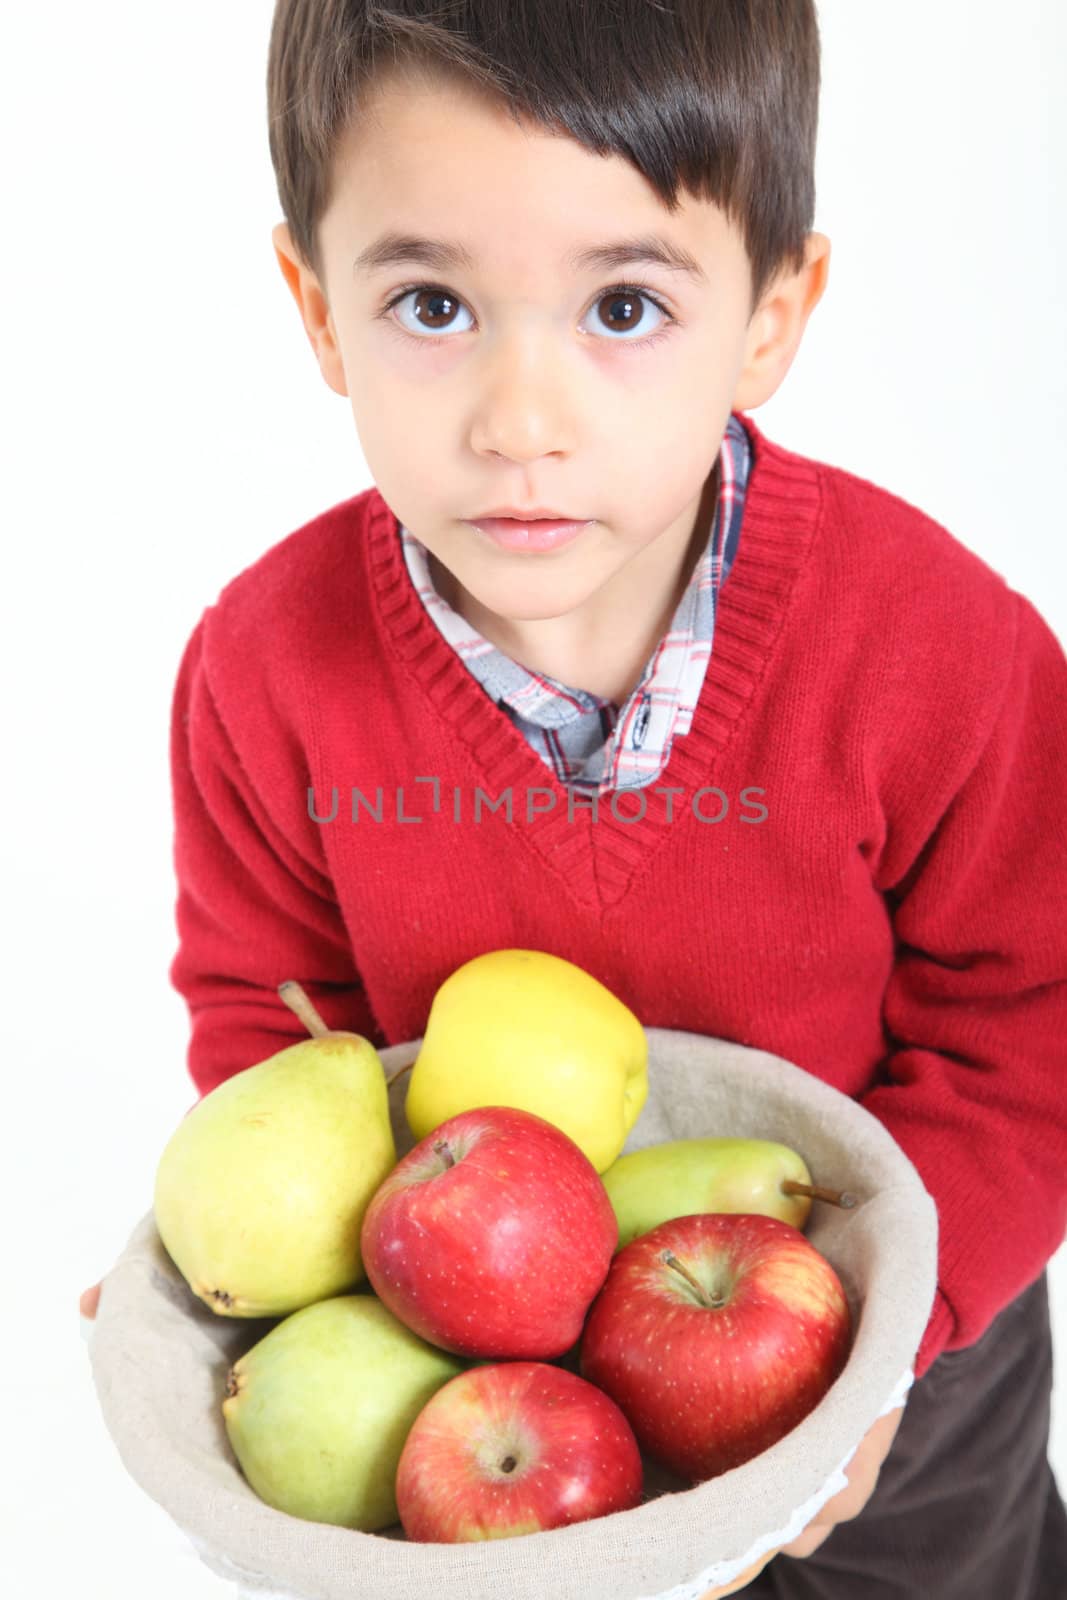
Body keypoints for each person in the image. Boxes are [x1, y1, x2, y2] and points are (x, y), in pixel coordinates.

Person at [80, 2, 1067, 1593]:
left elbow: (1034, 1019)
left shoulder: (948, 655)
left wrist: (891, 1334)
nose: (519, 419)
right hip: (479, 1389)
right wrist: (248, 1284)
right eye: (430, 304)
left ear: (772, 314)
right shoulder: (261, 676)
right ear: (315, 310)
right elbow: (279, 1023)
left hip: (904, 1334)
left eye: (621, 305)